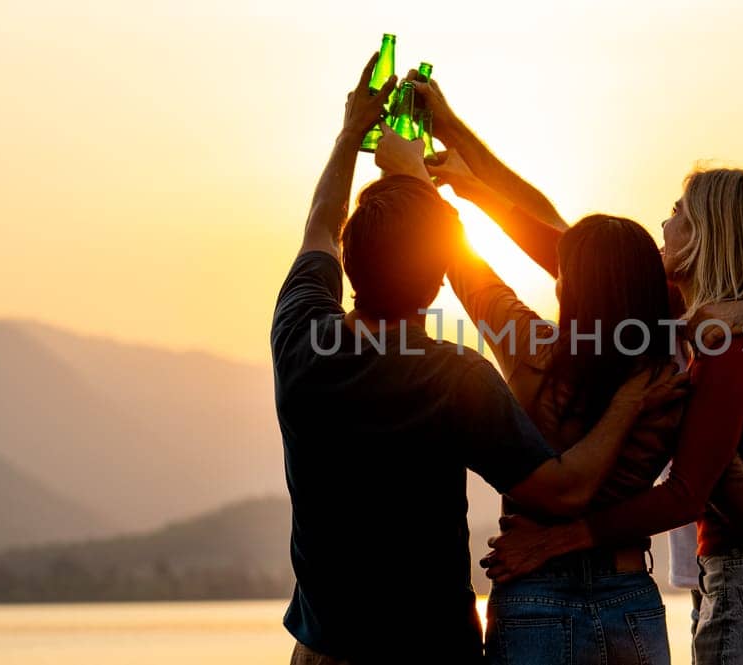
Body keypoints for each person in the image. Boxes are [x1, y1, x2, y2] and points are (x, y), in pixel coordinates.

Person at [401, 72, 743, 664]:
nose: (661, 224)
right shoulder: (673, 322)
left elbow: (694, 493)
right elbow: (566, 243)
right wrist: (461, 152)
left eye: (674, 214)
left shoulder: (728, 341)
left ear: (700, 238)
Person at [271, 53, 685, 665]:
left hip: (328, 647)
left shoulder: (301, 336)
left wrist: (353, 135)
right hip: (448, 644)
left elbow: (318, 225)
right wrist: (629, 399)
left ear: (347, 263)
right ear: (437, 282)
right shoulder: (461, 376)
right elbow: (565, 489)